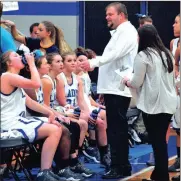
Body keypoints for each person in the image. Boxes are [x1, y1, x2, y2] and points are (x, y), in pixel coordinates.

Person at [81, 2, 138, 179]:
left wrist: (92, 62)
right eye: (106, 14)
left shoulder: (127, 32)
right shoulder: (121, 32)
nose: (107, 17)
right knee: (115, 129)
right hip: (113, 88)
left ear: (121, 15)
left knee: (117, 131)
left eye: (110, 14)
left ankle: (120, 167)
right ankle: (119, 165)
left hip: (118, 88)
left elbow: (114, 55)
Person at [122, 24, 177, 181]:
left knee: (157, 141)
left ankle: (162, 176)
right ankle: (158, 175)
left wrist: (126, 80)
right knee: (160, 140)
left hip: (153, 105)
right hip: (169, 103)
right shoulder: (166, 53)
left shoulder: (143, 56)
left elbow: (136, 82)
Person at [0, 51, 66, 181]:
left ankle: (48, 169)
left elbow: (30, 103)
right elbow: (36, 84)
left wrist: (50, 113)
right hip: (8, 124)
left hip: (18, 120)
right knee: (54, 129)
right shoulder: (6, 77)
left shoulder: (16, 80)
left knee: (57, 125)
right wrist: (31, 63)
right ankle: (44, 172)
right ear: (9, 63)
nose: (20, 57)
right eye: (15, 56)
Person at [2, 20, 72, 54]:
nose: (37, 32)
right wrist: (13, 26)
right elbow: (16, 36)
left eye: (40, 30)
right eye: (37, 29)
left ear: (48, 33)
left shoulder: (54, 50)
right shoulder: (33, 41)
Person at [169, 14, 180, 181]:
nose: (173, 25)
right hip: (177, 89)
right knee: (178, 127)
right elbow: (174, 63)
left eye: (177, 22)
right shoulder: (174, 44)